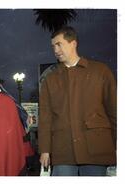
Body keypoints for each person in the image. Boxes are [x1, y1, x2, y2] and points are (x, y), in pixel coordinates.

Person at [38, 26, 116, 176]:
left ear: (73, 43)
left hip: (96, 149)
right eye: (53, 46)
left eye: (59, 44)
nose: (55, 49)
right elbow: (45, 118)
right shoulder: (50, 79)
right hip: (63, 151)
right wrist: (45, 150)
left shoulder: (101, 71)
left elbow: (114, 111)